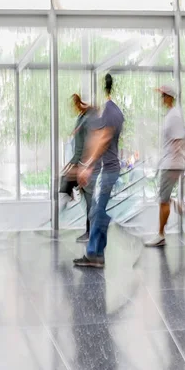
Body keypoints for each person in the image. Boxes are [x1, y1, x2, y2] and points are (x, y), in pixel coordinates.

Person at [73, 74, 124, 268]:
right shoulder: (111, 111)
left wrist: (87, 166)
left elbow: (103, 140)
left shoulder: (110, 111)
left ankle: (95, 254)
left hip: (109, 170)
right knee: (98, 211)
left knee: (98, 211)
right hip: (108, 169)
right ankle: (97, 253)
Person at [145, 85, 185, 247]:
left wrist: (175, 162)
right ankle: (182, 210)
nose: (161, 98)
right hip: (170, 163)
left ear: (170, 97)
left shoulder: (174, 116)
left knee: (163, 200)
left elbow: (179, 141)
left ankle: (161, 235)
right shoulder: (171, 115)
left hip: (171, 164)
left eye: (164, 96)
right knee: (165, 197)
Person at [62, 93, 97, 243]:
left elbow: (89, 146)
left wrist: (82, 166)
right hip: (80, 163)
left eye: (76, 104)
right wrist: (72, 162)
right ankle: (90, 231)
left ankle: (91, 232)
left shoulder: (89, 119)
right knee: (83, 196)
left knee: (89, 200)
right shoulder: (82, 118)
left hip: (86, 165)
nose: (74, 107)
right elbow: (79, 144)